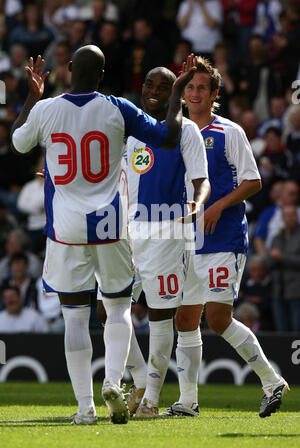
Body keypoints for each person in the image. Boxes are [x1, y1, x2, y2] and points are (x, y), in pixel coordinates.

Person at [10, 46, 197, 425]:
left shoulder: (47, 109)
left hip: (65, 229)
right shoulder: (117, 108)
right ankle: (113, 380)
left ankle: (84, 408)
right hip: (111, 225)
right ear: (102, 75)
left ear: (69, 69)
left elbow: (17, 143)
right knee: (118, 308)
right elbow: (167, 135)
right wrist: (176, 92)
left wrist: (33, 97)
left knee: (75, 317)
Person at [162, 56, 289, 419]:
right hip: (187, 241)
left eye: (202, 87)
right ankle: (187, 402)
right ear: (183, 93)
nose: (196, 92)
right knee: (185, 319)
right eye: (190, 87)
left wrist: (217, 207)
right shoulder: (175, 134)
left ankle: (271, 381)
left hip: (224, 237)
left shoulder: (228, 132)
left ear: (215, 93)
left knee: (217, 318)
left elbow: (254, 181)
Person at [97, 65, 210, 418]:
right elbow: (113, 174)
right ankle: (140, 379)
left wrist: (199, 204)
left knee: (162, 317)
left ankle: (150, 400)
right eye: (150, 84)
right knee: (107, 309)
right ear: (142, 86)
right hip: (127, 232)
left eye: (164, 86)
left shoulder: (187, 130)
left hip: (168, 232)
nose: (155, 91)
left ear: (172, 91)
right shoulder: (130, 127)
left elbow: (201, 180)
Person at [266, 205, 300, 331]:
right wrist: (273, 258)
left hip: (296, 291)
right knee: (281, 332)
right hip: (278, 290)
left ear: (296, 217)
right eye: (286, 216)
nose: (289, 218)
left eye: (292, 215)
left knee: (296, 330)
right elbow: (268, 263)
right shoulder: (276, 238)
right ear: (282, 218)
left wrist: (282, 257)